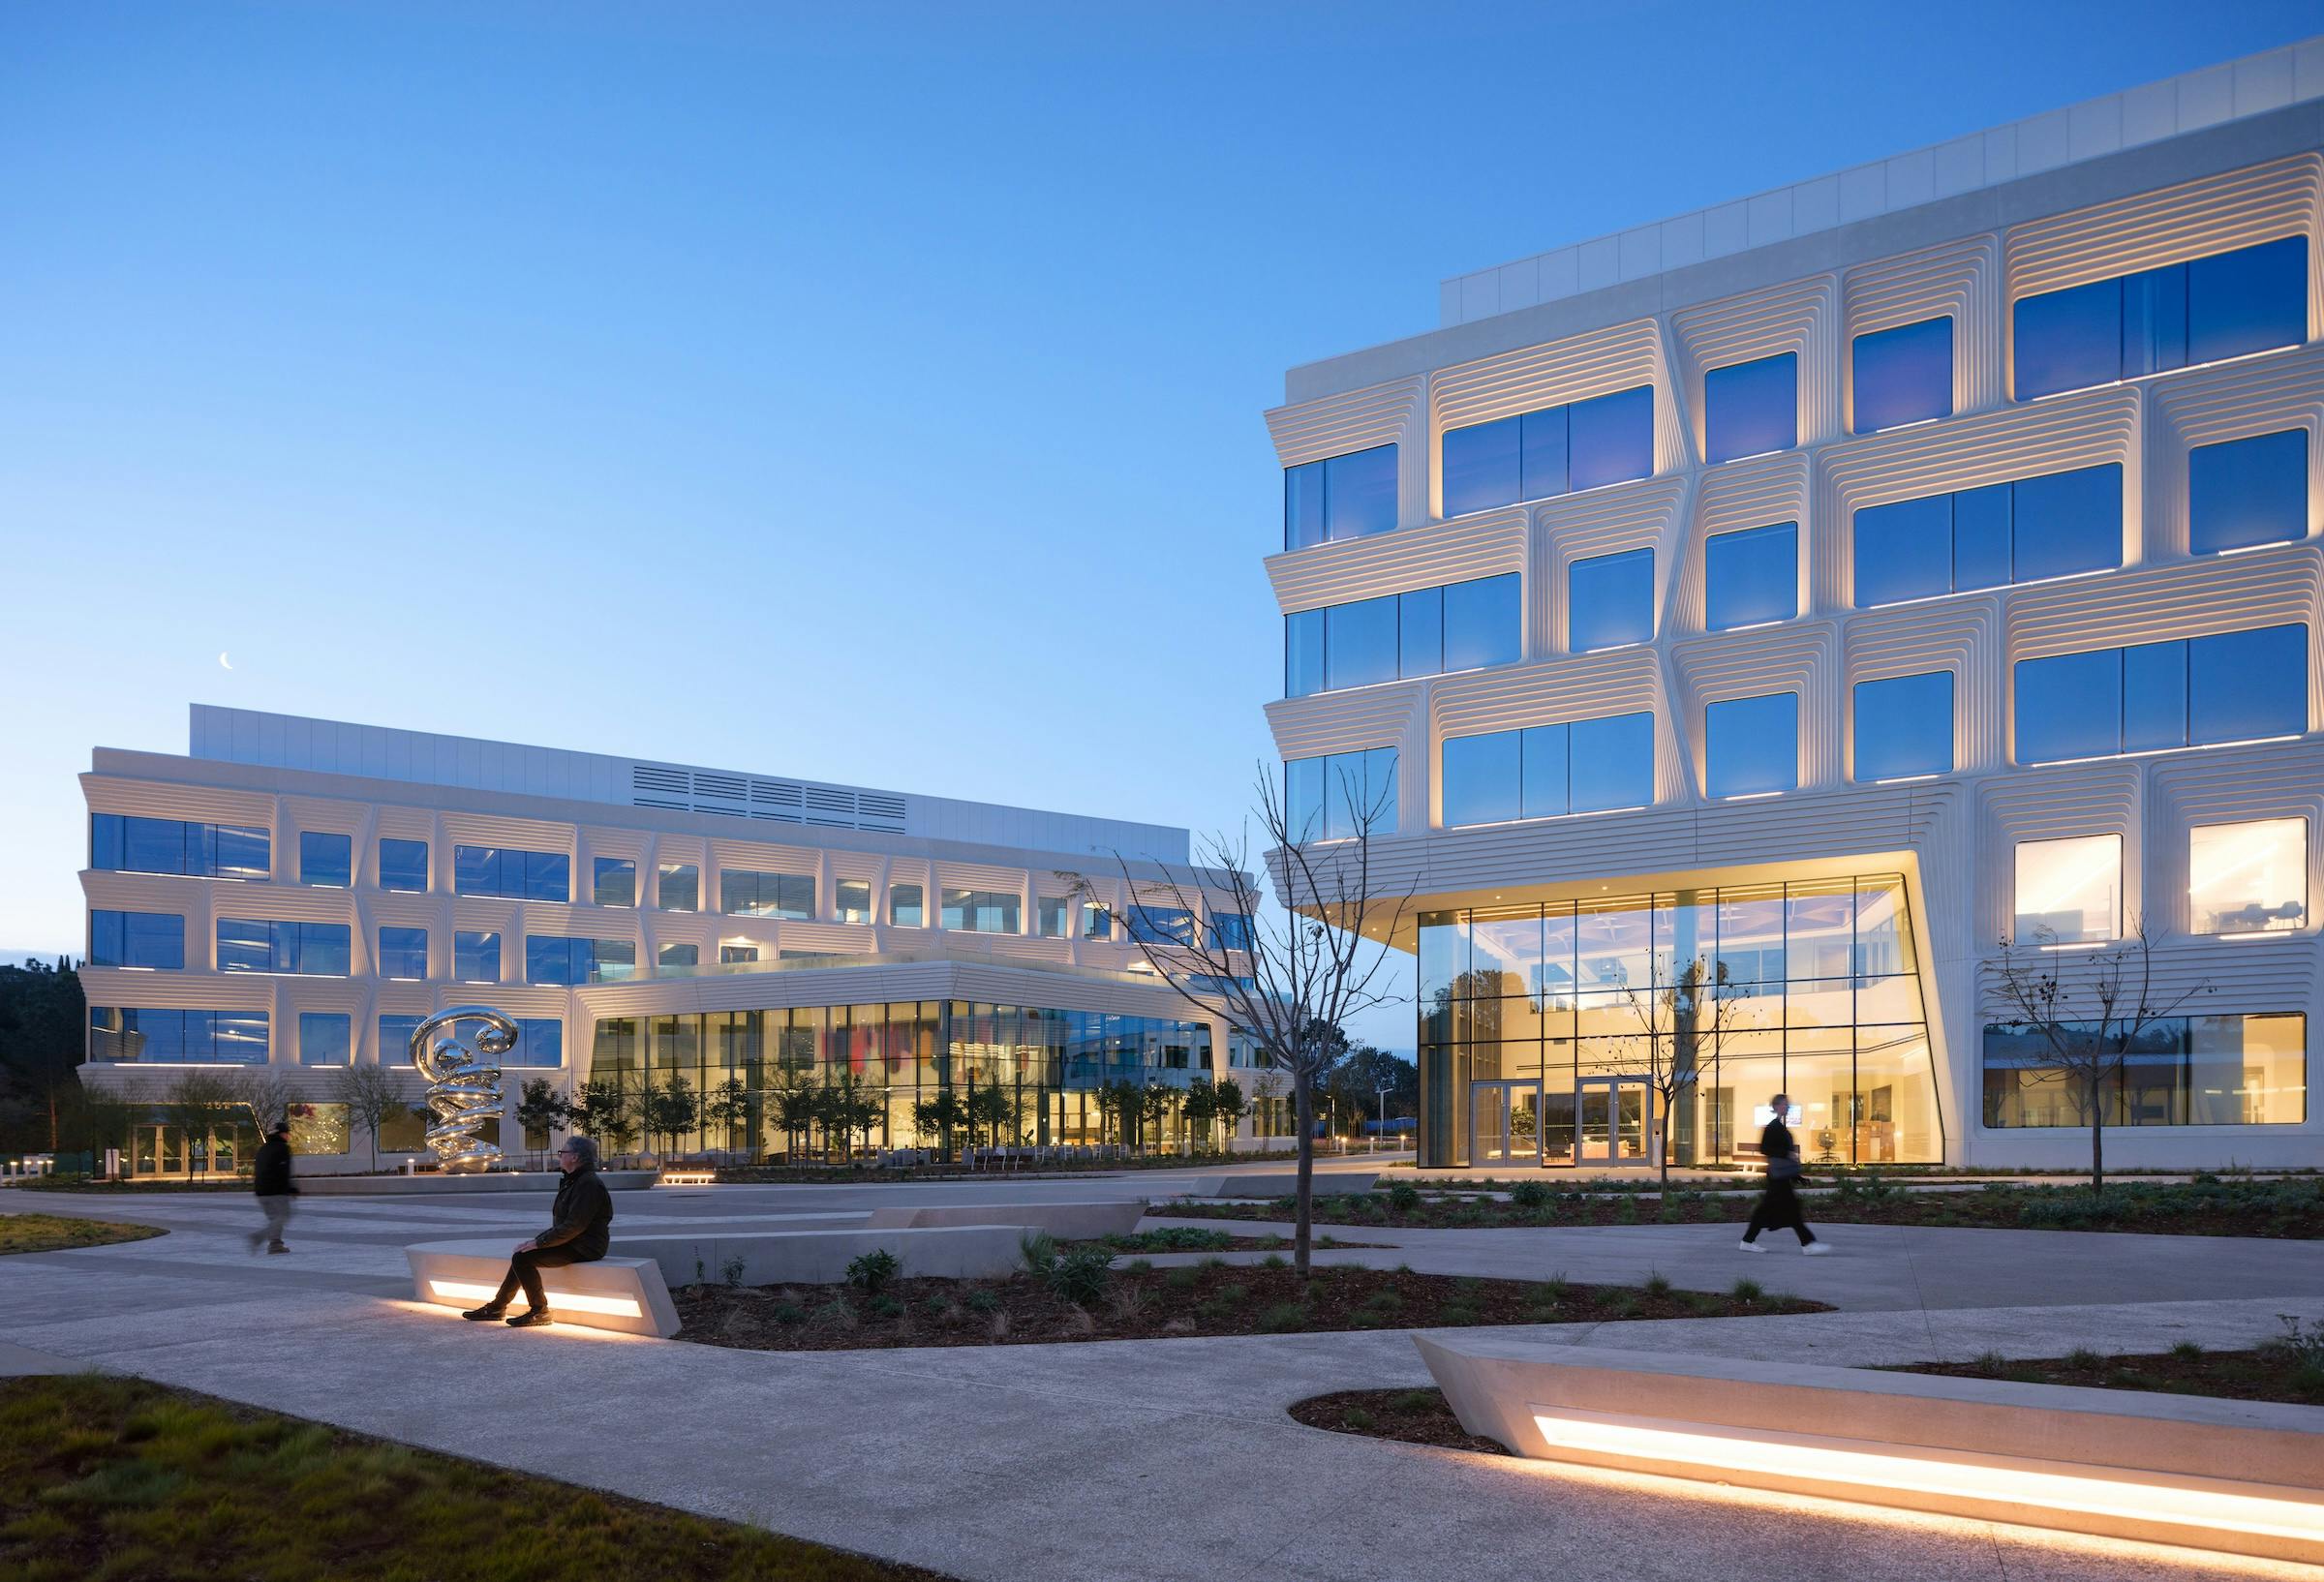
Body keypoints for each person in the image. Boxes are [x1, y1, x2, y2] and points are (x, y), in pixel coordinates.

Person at [463, 1135, 613, 1327]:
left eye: (562, 1152)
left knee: (523, 1258)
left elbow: (574, 1225)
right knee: (522, 1253)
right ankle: (497, 1307)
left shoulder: (588, 1184)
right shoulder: (575, 1181)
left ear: (575, 1157)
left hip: (585, 1246)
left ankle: (539, 1310)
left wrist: (540, 1243)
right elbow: (565, 1225)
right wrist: (536, 1241)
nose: (559, 1156)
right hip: (574, 1241)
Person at [1739, 1093, 1830, 1255]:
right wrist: (1786, 1154)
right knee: (1789, 1211)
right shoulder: (1773, 1127)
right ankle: (1808, 1244)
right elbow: (1765, 1149)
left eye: (1787, 1104)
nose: (1786, 1107)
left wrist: (1797, 1177)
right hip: (1777, 1177)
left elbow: (1782, 1155)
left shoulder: (1779, 1126)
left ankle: (1748, 1241)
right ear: (1776, 1107)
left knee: (1770, 1210)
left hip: (1780, 1176)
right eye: (1783, 1104)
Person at [250, 1121, 295, 1254]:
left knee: (275, 1218)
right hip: (275, 1190)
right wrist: (290, 1188)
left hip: (261, 1191)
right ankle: (262, 1238)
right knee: (283, 1215)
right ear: (281, 1134)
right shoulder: (282, 1148)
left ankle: (275, 1244)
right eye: (286, 1133)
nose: (288, 1136)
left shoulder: (263, 1148)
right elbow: (283, 1170)